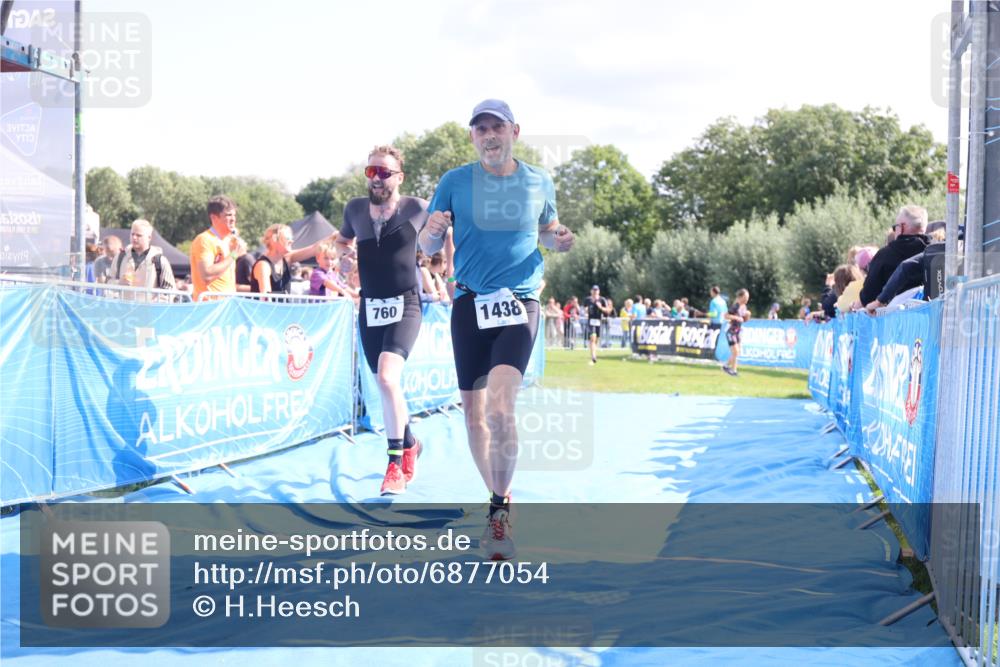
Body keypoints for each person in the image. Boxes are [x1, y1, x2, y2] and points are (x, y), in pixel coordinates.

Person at [419, 99, 574, 560]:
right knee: (473, 415)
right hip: (468, 302)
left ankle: (498, 513)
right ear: (472, 136)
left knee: (500, 408)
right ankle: (498, 496)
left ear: (514, 132)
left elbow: (546, 232)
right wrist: (430, 231)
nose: (489, 135)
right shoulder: (453, 182)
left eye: (497, 127)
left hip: (519, 303)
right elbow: (424, 247)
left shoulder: (538, 180)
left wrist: (558, 239)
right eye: (481, 128)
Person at [336, 145, 429, 496]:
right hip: (370, 306)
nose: (376, 178)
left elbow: (445, 231)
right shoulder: (355, 209)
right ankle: (411, 443)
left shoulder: (416, 207)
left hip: (406, 303)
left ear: (399, 177)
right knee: (384, 384)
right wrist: (344, 258)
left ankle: (393, 465)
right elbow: (342, 242)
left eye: (384, 172)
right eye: (371, 171)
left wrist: (450, 271)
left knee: (389, 378)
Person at [857, 205, 930, 309]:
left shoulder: (884, 255)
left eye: (895, 227)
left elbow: (867, 297)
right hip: (933, 318)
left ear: (902, 227)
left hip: (896, 322)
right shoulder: (935, 253)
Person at [251, 224, 333, 298]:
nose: (292, 241)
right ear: (274, 239)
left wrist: (333, 237)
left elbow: (314, 249)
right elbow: (266, 297)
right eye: (288, 238)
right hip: (266, 313)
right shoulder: (263, 265)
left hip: (281, 311)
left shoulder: (286, 259)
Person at [190, 195, 247, 302]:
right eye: (228, 215)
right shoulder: (204, 240)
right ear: (214, 217)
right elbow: (206, 275)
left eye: (234, 215)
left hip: (227, 306)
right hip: (209, 307)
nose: (233, 219)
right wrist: (234, 255)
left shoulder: (230, 241)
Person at [112, 218, 176, 302]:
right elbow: (107, 283)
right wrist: (119, 283)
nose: (134, 237)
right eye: (132, 234)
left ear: (149, 237)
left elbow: (169, 290)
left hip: (149, 312)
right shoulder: (120, 257)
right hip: (123, 311)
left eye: (139, 235)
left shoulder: (160, 260)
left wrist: (157, 302)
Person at [723, 288, 750, 377]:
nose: (747, 299)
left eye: (748, 297)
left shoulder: (743, 307)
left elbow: (743, 320)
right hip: (731, 331)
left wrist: (747, 316)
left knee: (737, 352)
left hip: (737, 331)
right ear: (741, 297)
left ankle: (726, 366)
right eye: (746, 297)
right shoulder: (736, 306)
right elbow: (726, 316)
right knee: (735, 351)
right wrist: (736, 318)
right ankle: (733, 371)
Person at [584, 285, 612, 364]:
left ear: (599, 291)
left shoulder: (602, 300)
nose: (595, 292)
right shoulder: (588, 300)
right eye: (594, 290)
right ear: (591, 291)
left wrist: (601, 308)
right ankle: (593, 356)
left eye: (596, 290)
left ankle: (593, 354)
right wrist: (586, 311)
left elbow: (608, 310)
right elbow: (584, 309)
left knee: (596, 340)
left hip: (599, 321)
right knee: (593, 338)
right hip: (591, 321)